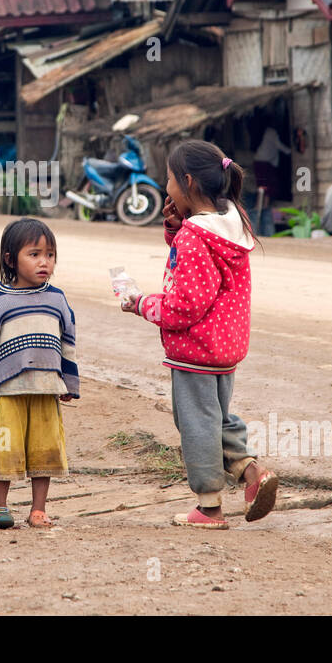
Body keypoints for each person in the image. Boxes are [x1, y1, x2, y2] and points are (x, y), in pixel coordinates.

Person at [121, 139, 277, 529]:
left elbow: (186, 303)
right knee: (218, 419)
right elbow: (202, 271)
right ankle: (251, 472)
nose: (166, 186)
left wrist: (141, 303)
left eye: (169, 179)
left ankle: (209, 508)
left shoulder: (195, 235)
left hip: (194, 349)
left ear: (188, 182)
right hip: (224, 347)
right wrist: (176, 227)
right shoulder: (233, 223)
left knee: (195, 425)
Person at [0, 218, 78, 530]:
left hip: (46, 389)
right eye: (34, 254)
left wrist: (69, 382)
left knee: (44, 449)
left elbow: (68, 341)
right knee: (5, 449)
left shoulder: (57, 298)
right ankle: (0, 507)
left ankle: (38, 510)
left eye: (50, 255)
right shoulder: (0, 300)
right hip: (8, 392)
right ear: (10, 260)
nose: (44, 262)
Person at [249, 124, 290, 237]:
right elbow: (279, 145)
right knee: (267, 186)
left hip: (259, 161)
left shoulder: (265, 132)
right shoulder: (271, 132)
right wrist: (289, 152)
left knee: (263, 185)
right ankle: (262, 206)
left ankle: (261, 205)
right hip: (265, 163)